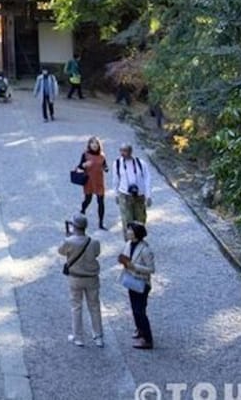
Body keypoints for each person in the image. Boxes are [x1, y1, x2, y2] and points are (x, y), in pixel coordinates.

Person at [58, 214, 104, 347]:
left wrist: (67, 237)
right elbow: (97, 253)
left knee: (76, 307)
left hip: (75, 278)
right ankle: (98, 336)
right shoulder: (94, 242)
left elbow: (61, 251)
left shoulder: (69, 242)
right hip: (91, 278)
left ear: (74, 226)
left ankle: (78, 337)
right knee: (94, 307)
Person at [117, 221, 155, 349]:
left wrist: (134, 266)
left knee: (140, 311)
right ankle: (140, 330)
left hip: (141, 282)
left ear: (136, 234)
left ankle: (147, 338)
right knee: (134, 309)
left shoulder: (145, 250)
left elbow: (151, 269)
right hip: (131, 280)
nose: (127, 232)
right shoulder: (128, 244)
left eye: (129, 230)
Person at [113, 144, 152, 227]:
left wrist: (148, 195)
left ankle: (140, 239)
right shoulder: (117, 164)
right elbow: (115, 180)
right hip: (124, 195)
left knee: (140, 221)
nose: (122, 153)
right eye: (121, 150)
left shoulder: (141, 163)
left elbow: (147, 179)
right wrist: (116, 194)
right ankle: (129, 239)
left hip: (139, 195)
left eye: (125, 151)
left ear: (130, 151)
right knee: (127, 221)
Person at [76, 136, 108, 228]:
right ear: (89, 144)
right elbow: (79, 167)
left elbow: (105, 165)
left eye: (96, 143)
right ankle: (82, 210)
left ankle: (101, 223)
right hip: (89, 181)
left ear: (99, 145)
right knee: (88, 200)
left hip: (99, 182)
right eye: (92, 143)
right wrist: (84, 165)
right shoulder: (85, 155)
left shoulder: (102, 155)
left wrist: (106, 168)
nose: (94, 145)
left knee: (101, 202)